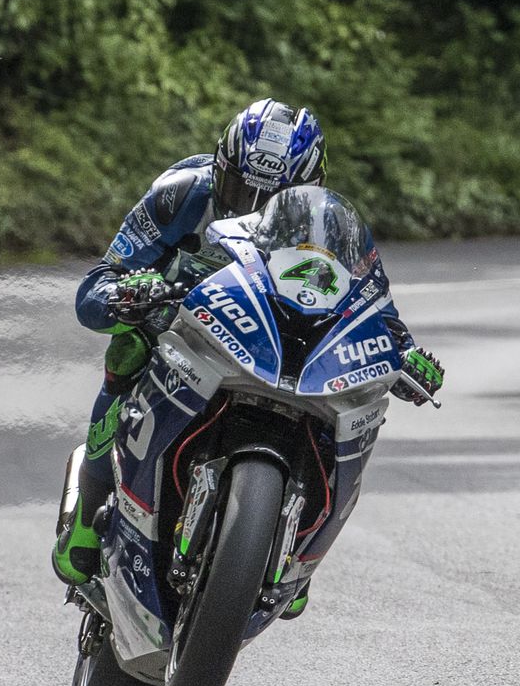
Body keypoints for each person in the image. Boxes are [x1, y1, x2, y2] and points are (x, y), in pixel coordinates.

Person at [51, 98, 446, 604]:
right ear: (220, 165)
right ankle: (92, 505)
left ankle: (296, 544)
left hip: (278, 338)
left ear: (309, 189)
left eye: (270, 198)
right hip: (184, 321)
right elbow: (98, 283)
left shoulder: (329, 226)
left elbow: (373, 299)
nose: (249, 207)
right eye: (239, 187)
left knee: (345, 406)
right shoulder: (179, 194)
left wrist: (401, 350)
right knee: (127, 348)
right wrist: (126, 294)